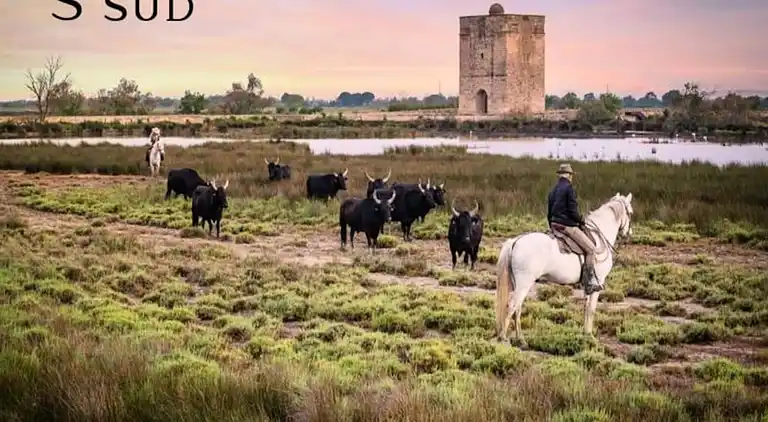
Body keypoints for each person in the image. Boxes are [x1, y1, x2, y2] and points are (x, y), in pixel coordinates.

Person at [547, 163, 602, 294]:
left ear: (559, 175)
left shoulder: (553, 190)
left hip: (555, 225)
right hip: (567, 226)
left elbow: (549, 213)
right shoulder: (569, 189)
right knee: (591, 250)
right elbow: (573, 211)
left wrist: (552, 225)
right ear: (569, 176)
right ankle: (588, 283)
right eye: (571, 175)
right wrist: (581, 221)